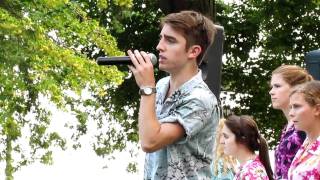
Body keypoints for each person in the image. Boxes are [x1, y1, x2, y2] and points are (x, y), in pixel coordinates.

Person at [127, 10, 219, 179]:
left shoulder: (201, 99)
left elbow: (150, 142)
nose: (159, 46)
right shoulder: (161, 86)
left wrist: (147, 88)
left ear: (193, 51)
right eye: (161, 38)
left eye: (170, 40)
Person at [269, 65, 313, 179]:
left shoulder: (304, 126)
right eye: (272, 86)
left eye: (277, 86)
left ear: (295, 88)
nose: (271, 92)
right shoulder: (288, 128)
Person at [220, 115, 273, 180]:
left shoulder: (252, 172)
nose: (221, 141)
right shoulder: (248, 169)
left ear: (242, 139)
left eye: (226, 136)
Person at [288, 81, 320, 179]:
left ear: (317, 109)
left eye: (297, 106)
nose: (291, 113)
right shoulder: (306, 145)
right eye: (291, 107)